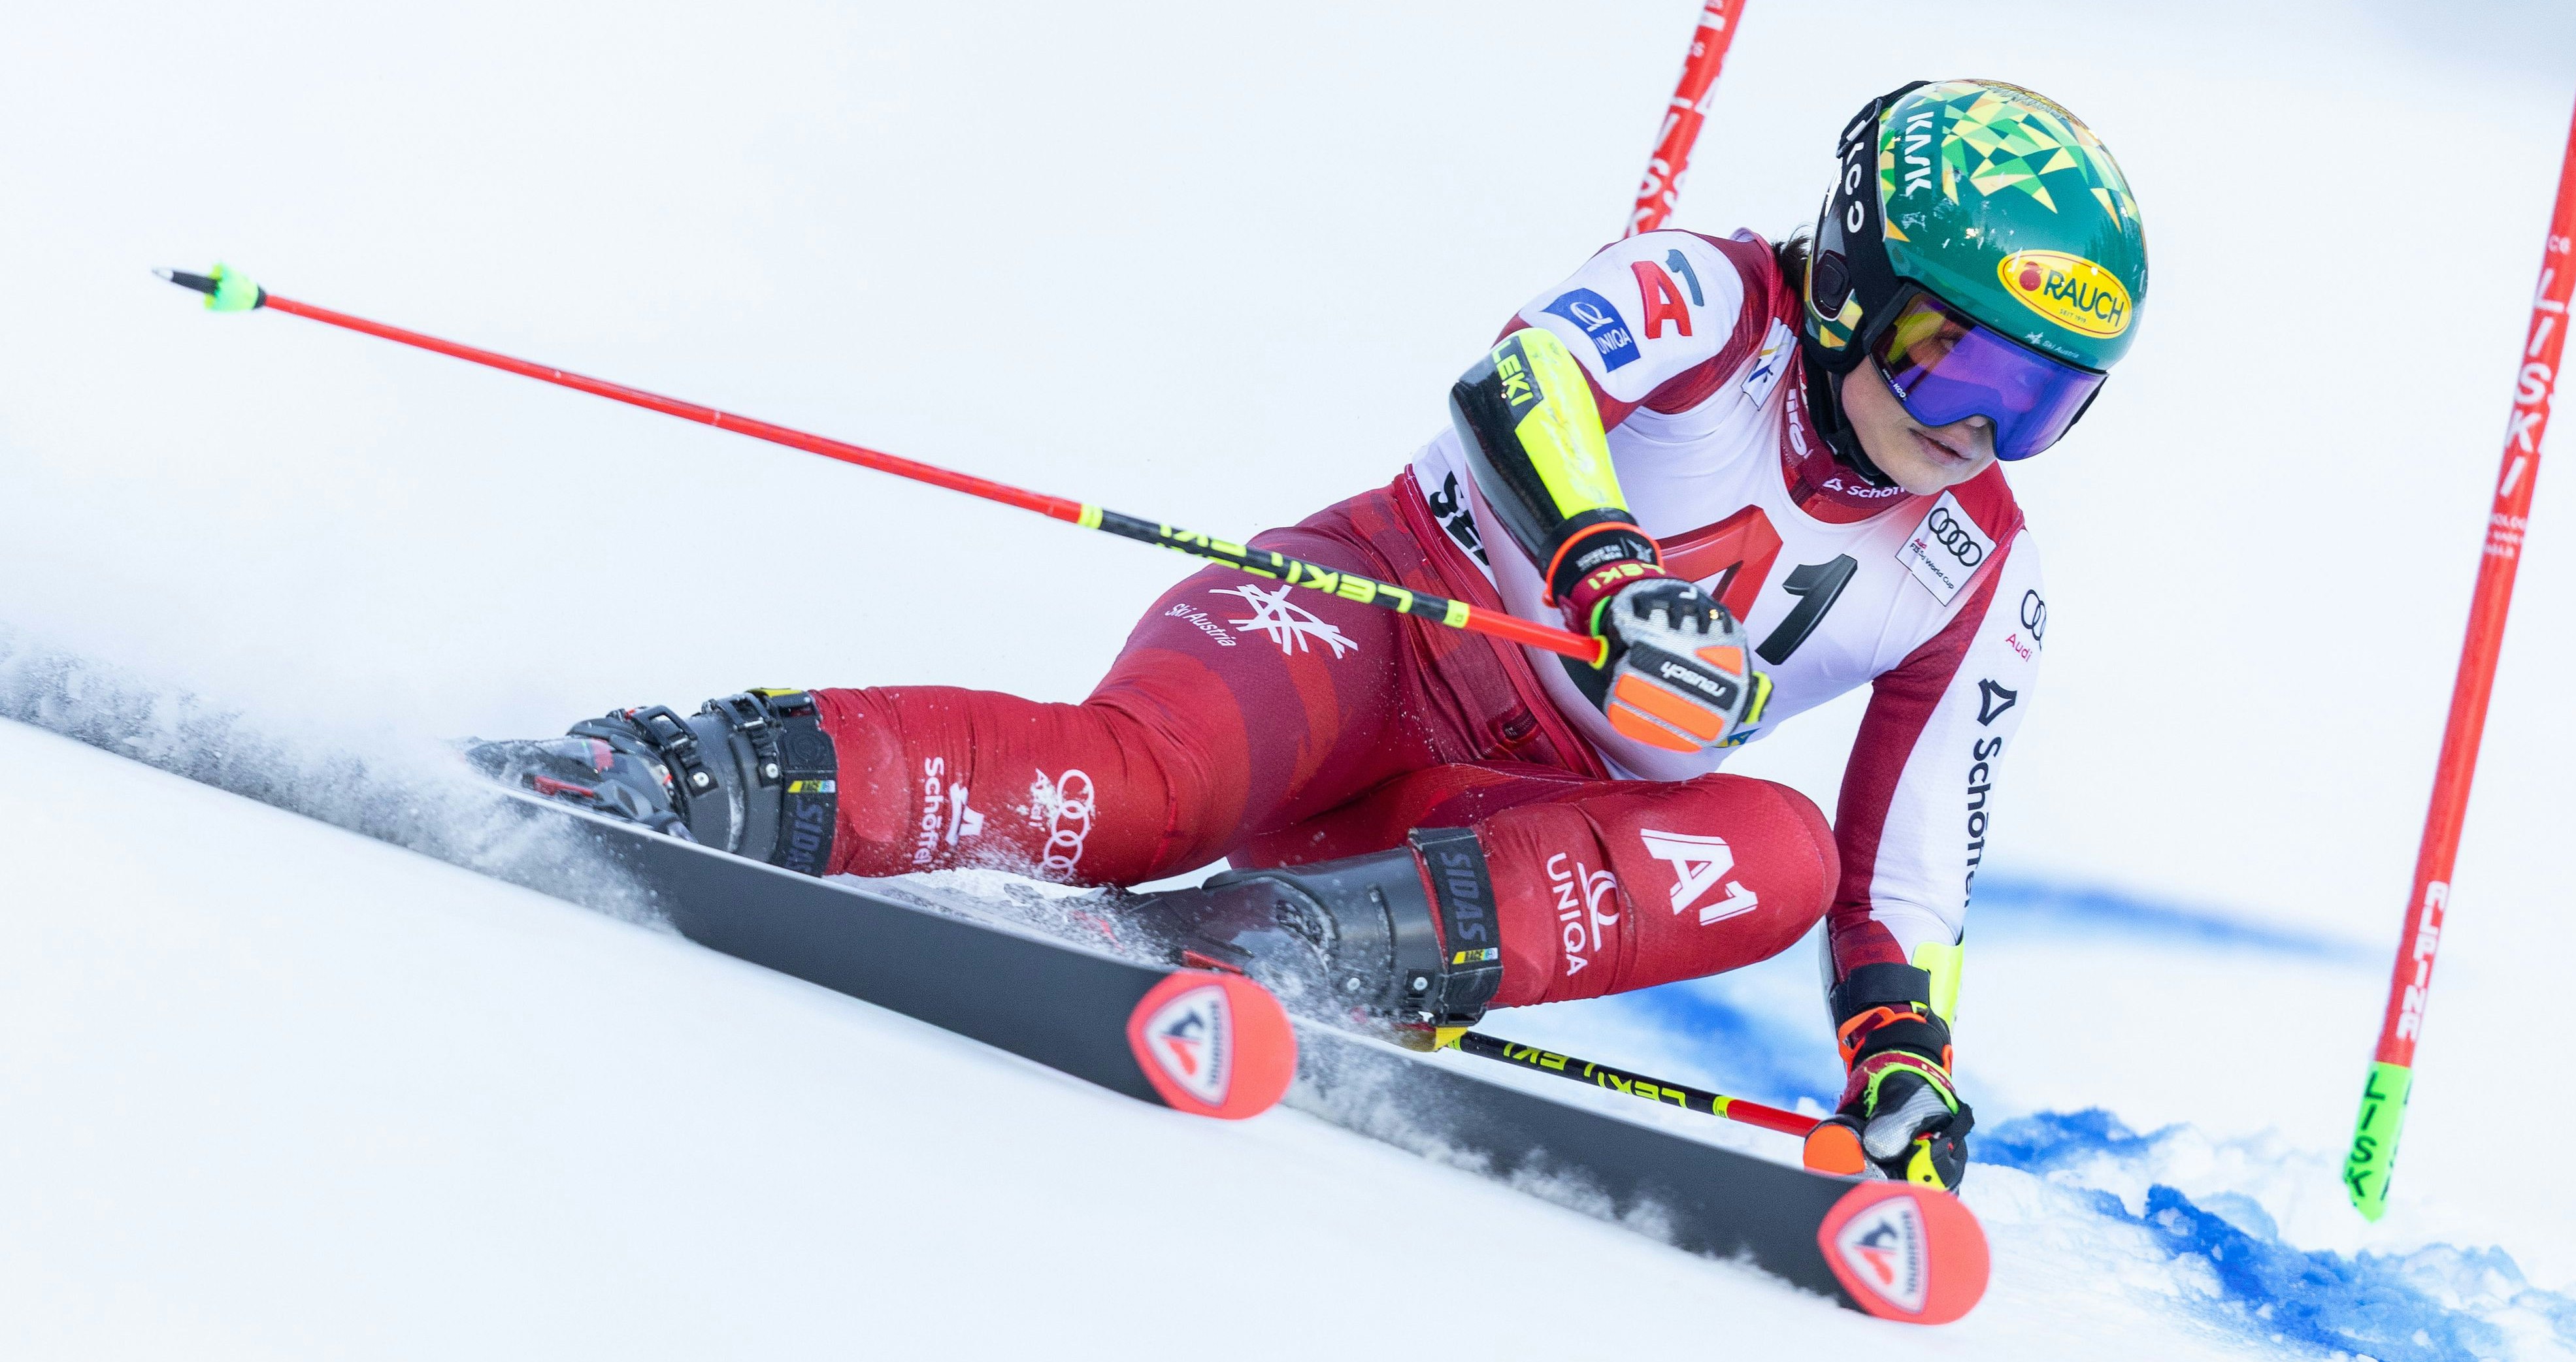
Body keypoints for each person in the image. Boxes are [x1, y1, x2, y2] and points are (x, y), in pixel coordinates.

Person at [472, 80, 2146, 1192]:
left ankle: (1295, 949)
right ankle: (696, 773)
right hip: (1359, 631)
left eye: (2045, 401)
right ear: (1852, 280)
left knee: (1768, 847)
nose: (1982, 430)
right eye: (1956, 367)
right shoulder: (1708, 300)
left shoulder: (1977, 565)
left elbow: (1900, 867)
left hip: (1477, 831)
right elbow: (1518, 385)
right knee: (1144, 798)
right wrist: (1611, 573)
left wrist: (1900, 1052)